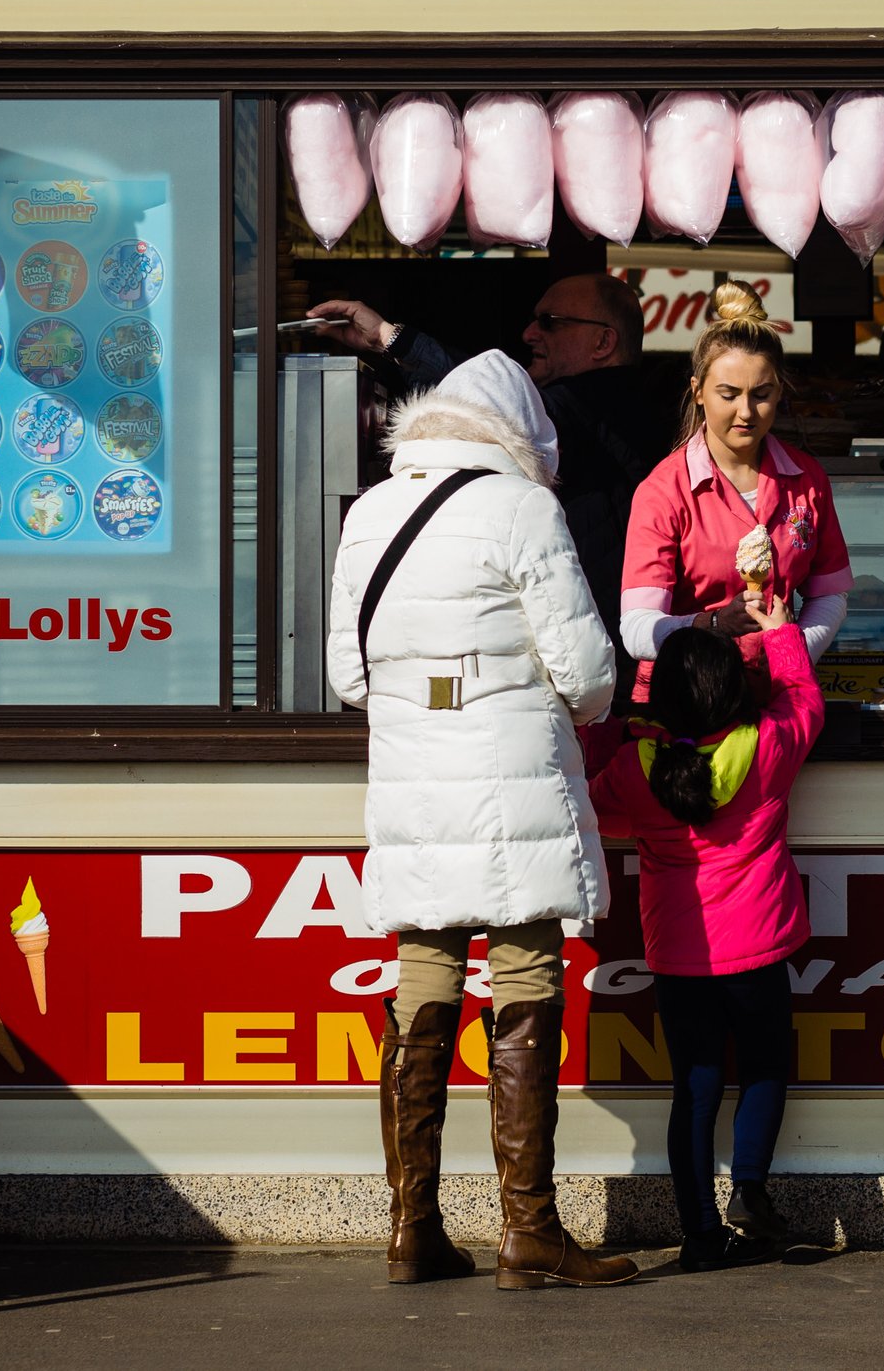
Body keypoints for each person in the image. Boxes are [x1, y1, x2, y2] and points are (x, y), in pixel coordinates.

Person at [324, 350, 637, 1291]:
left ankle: (411, 1228)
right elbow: (587, 675)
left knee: (423, 969)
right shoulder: (523, 508)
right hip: (512, 781)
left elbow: (349, 679)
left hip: (415, 782)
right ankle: (529, 1230)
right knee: (526, 965)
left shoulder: (370, 510)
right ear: (523, 437)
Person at [585, 605, 823, 1270]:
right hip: (761, 946)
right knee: (766, 1067)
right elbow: (804, 698)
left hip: (680, 959)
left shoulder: (638, 770)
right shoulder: (768, 748)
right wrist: (776, 628)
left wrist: (632, 717)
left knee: (693, 1088)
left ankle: (699, 1232)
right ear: (733, 693)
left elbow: (591, 789)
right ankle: (748, 1185)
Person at [310, 273, 674, 645]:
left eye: (550, 322)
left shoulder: (602, 404)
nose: (530, 333)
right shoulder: (590, 406)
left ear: (603, 341)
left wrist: (391, 338)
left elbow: (488, 397)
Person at [618, 281, 851, 700]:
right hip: (684, 704)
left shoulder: (806, 479)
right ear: (698, 391)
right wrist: (711, 626)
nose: (746, 412)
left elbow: (829, 595)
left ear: (780, 393)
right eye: (729, 394)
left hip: (779, 699)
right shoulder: (664, 490)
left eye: (761, 395)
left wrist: (792, 652)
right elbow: (637, 630)